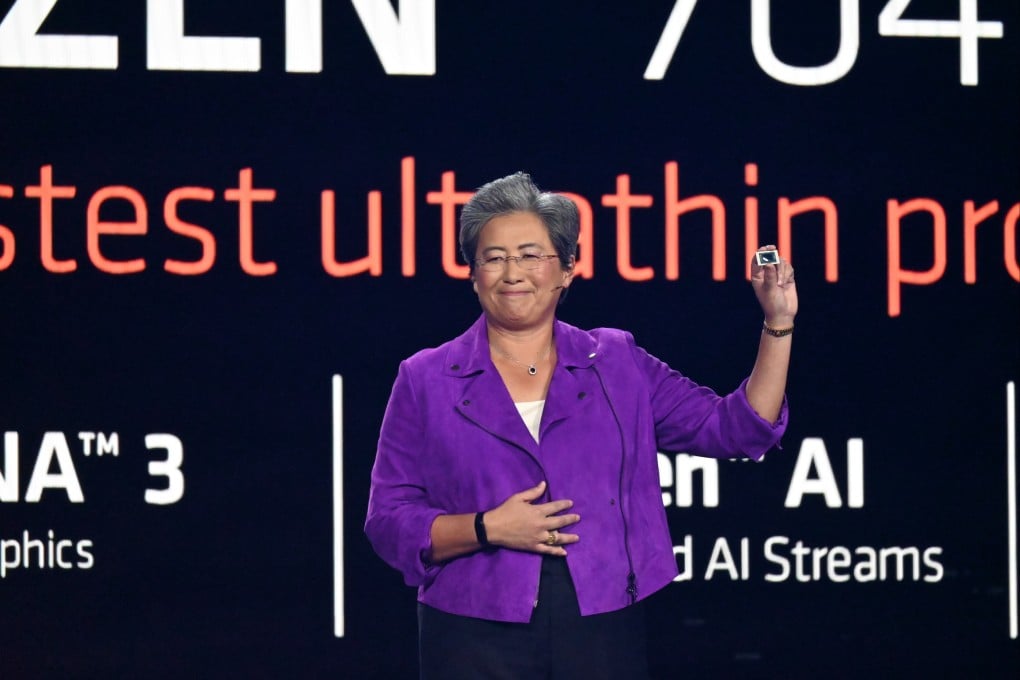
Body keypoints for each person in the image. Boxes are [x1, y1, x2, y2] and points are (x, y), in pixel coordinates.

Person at [365, 171, 796, 678]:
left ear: (567, 269)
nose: (512, 273)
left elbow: (737, 429)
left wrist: (778, 323)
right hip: (470, 630)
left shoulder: (616, 361)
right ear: (473, 274)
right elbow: (389, 520)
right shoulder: (424, 378)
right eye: (494, 258)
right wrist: (488, 527)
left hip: (601, 624)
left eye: (530, 255)